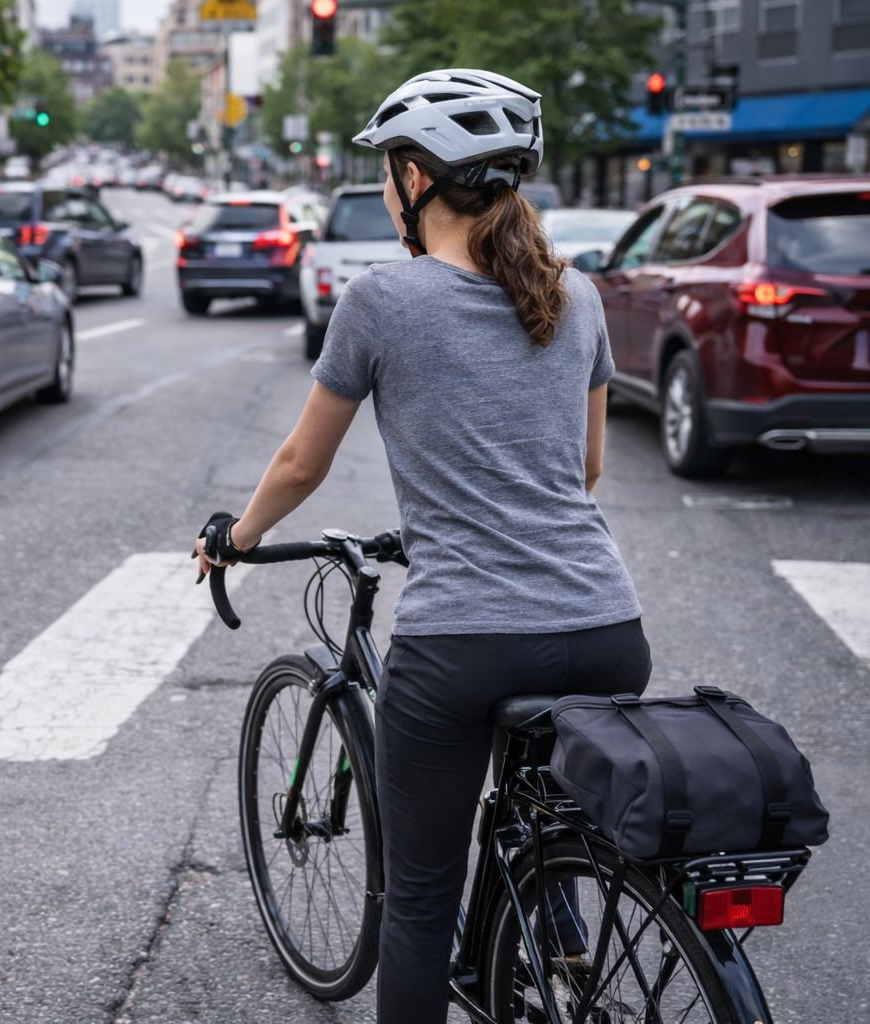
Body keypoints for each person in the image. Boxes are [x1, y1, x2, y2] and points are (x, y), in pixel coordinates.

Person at [192, 69, 647, 1024]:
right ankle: (560, 960)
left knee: (421, 901)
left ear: (414, 177)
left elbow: (300, 463)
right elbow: (588, 468)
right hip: (609, 627)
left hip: (464, 645)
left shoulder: (382, 300)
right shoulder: (581, 296)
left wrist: (236, 537)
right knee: (543, 813)